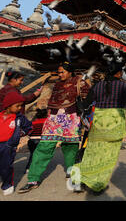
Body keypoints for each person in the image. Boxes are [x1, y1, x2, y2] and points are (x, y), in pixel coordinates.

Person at [19, 62, 90, 193]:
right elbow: (52, 101)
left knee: (71, 148)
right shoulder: (57, 84)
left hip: (71, 118)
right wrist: (49, 115)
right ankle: (33, 180)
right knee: (44, 147)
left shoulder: (80, 82)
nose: (60, 74)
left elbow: (88, 100)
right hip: (53, 120)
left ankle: (73, 176)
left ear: (70, 72)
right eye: (58, 72)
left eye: (62, 72)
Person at [69, 62, 126, 194]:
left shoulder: (97, 85)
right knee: (108, 156)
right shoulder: (123, 85)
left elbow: (85, 104)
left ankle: (80, 180)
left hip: (99, 122)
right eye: (121, 71)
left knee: (92, 153)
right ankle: (96, 185)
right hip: (115, 122)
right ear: (118, 73)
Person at [0, 90, 32, 195]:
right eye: (17, 106)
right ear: (8, 106)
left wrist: (20, 133)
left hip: (8, 146)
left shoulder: (19, 118)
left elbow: (29, 127)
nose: (19, 108)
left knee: (6, 166)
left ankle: (7, 185)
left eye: (20, 106)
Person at [24, 108, 48, 174]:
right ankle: (37, 170)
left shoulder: (33, 123)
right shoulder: (47, 122)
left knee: (33, 155)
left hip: (32, 141)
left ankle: (28, 168)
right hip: (41, 140)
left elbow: (28, 132)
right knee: (40, 155)